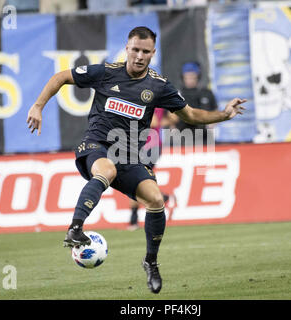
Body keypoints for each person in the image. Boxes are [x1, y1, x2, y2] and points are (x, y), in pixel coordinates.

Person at [26, 26, 246, 294]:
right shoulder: (106, 72)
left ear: (153, 53)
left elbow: (191, 115)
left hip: (128, 155)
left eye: (145, 51)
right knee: (105, 169)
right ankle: (75, 228)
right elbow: (61, 76)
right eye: (135, 49)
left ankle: (150, 262)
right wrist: (38, 105)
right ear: (127, 48)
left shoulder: (159, 86)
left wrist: (223, 114)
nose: (139, 56)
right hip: (94, 145)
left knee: (154, 199)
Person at [128, 107, 176, 231]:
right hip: (143, 147)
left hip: (150, 147)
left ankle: (133, 219)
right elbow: (170, 118)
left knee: (136, 179)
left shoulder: (149, 100)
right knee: (136, 180)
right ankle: (163, 197)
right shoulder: (156, 100)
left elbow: (154, 121)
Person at [172, 61, 218, 145]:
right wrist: (173, 127)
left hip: (203, 136)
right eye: (187, 76)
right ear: (183, 77)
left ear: (198, 76)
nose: (190, 79)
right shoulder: (177, 95)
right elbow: (169, 116)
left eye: (192, 76)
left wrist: (212, 123)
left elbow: (215, 110)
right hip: (182, 136)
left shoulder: (206, 93)